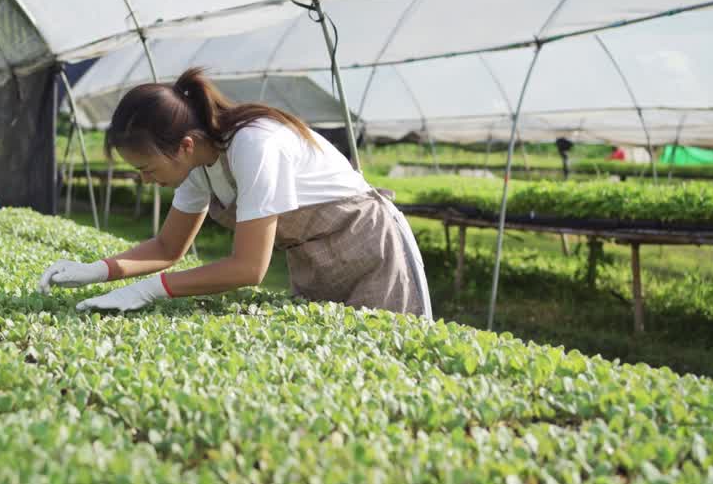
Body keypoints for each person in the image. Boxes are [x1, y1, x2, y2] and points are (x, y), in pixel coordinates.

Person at [38, 67, 432, 318]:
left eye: (147, 168)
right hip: (315, 260)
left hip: (370, 251)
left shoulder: (254, 145)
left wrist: (150, 290)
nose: (145, 179)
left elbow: (249, 268)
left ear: (185, 145)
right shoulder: (198, 164)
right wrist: (98, 270)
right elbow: (167, 247)